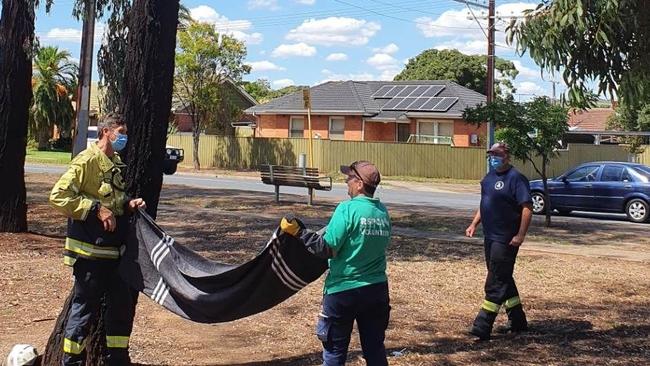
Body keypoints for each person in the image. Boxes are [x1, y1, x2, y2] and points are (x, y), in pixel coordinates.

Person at [49, 112, 146, 365]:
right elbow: (58, 196)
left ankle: (118, 359)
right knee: (84, 310)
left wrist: (128, 204)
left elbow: (113, 201)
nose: (124, 137)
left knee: (120, 309)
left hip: (114, 254)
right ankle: (71, 361)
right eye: (121, 132)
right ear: (106, 132)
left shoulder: (115, 162)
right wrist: (95, 209)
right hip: (89, 254)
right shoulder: (87, 161)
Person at [282, 160, 391, 366]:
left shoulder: (347, 209)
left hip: (343, 291)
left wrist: (299, 233)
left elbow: (326, 249)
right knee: (375, 350)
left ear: (359, 184)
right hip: (376, 291)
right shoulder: (382, 213)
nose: (346, 182)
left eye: (349, 178)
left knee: (334, 354)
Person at [465, 142, 533, 341]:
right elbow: (485, 203)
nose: (493, 158)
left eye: (497, 154)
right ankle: (518, 320)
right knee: (503, 276)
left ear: (507, 156)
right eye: (491, 155)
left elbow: (527, 208)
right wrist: (474, 224)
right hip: (490, 236)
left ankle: (483, 324)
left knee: (496, 280)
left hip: (507, 239)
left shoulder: (517, 179)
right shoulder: (488, 179)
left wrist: (521, 235)